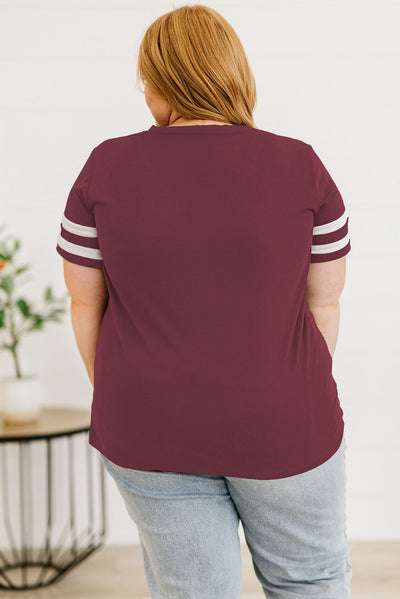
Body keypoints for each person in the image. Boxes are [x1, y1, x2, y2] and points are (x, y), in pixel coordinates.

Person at [55, 4, 352, 598]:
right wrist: (280, 391)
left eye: (146, 82)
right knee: (309, 582)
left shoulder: (105, 166)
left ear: (165, 83)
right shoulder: (302, 165)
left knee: (192, 591)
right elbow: (324, 303)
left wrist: (130, 393)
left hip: (149, 421)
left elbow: (85, 305)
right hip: (284, 420)